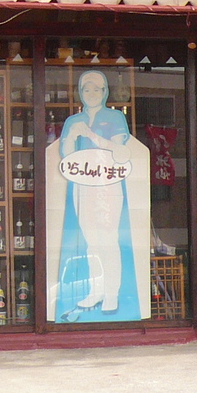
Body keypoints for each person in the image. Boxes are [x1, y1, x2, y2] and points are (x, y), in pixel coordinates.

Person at [55, 70, 139, 321]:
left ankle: (112, 293)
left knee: (109, 239)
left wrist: (91, 135)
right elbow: (65, 154)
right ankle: (97, 290)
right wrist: (72, 135)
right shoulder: (73, 120)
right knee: (92, 241)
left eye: (96, 89)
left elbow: (120, 150)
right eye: (86, 89)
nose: (91, 93)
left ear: (105, 92)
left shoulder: (114, 117)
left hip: (107, 183)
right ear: (80, 92)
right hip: (83, 184)